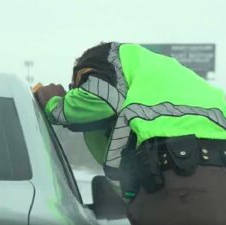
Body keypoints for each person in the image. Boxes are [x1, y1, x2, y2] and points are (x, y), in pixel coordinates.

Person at [34, 42, 226, 225]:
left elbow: (101, 99)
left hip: (177, 188)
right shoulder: (179, 81)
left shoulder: (104, 57)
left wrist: (55, 103)